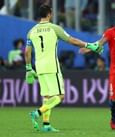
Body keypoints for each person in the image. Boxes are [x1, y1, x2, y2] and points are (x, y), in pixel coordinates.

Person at [25, 4, 102, 132]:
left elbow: (27, 52)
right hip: (52, 66)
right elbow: (72, 40)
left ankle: (46, 125)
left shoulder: (31, 31)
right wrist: (89, 45)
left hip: (39, 66)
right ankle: (37, 113)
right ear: (49, 14)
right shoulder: (54, 28)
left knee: (47, 96)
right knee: (60, 96)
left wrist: (28, 68)